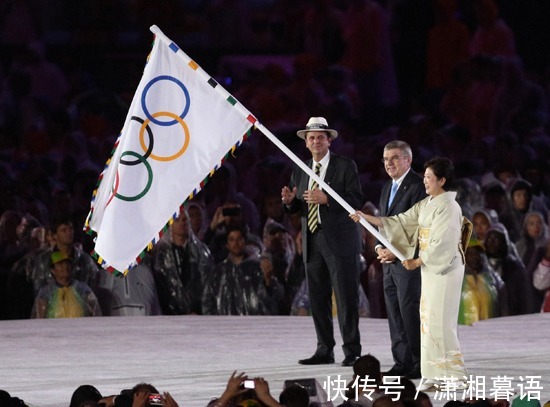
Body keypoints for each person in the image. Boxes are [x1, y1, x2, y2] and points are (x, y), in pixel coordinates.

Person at [351, 156, 468, 390]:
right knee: (428, 321)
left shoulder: (449, 206)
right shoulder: (429, 203)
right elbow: (400, 221)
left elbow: (442, 243)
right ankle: (434, 373)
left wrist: (417, 260)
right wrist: (366, 218)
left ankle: (456, 376)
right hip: (430, 269)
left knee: (442, 322)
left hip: (444, 268)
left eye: (429, 178)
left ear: (442, 180)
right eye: (424, 177)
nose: (424, 181)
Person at [282, 116, 363, 367]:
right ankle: (324, 349)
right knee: (318, 298)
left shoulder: (345, 166)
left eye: (320, 137)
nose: (316, 141)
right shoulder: (300, 167)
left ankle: (352, 352)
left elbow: (356, 200)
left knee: (346, 298)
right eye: (311, 138)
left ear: (329, 140)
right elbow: (300, 207)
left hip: (340, 241)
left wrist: (327, 198)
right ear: (306, 143)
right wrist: (288, 202)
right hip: (312, 240)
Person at [375, 140, 426, 379]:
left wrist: (395, 251)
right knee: (395, 313)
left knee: (409, 311)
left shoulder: (418, 186)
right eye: (386, 159)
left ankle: (419, 361)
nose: (389, 163)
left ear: (408, 159)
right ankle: (401, 361)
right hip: (388, 262)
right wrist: (379, 246)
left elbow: (419, 226)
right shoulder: (387, 187)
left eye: (395, 158)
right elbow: (385, 225)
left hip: (408, 261)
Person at [202, 227, 283, 315]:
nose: (236, 243)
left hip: (254, 325)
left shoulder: (259, 268)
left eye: (239, 239)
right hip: (226, 326)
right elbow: (208, 301)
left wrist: (268, 281)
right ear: (227, 245)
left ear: (245, 241)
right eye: (232, 240)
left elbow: (275, 297)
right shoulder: (218, 272)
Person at [150, 207, 214, 315]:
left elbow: (207, 283)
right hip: (170, 316)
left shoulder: (200, 252)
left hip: (198, 315)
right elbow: (161, 288)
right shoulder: (161, 254)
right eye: (177, 220)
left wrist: (199, 310)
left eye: (185, 220)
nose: (182, 223)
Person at [31, 251, 102, 318]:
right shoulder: (46, 292)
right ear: (52, 270)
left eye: (67, 263)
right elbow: (38, 318)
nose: (65, 266)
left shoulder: (82, 289)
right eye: (60, 264)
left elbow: (95, 312)